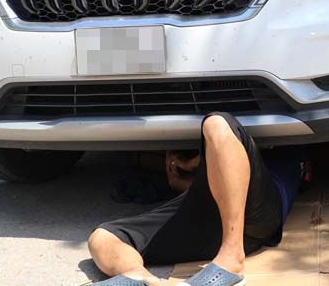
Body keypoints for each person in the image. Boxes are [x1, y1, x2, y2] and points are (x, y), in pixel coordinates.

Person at [88, 113, 306, 286]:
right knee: (102, 237)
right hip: (206, 214)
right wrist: (186, 171)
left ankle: (232, 259)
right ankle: (139, 277)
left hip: (255, 214)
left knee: (216, 123)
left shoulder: (292, 149)